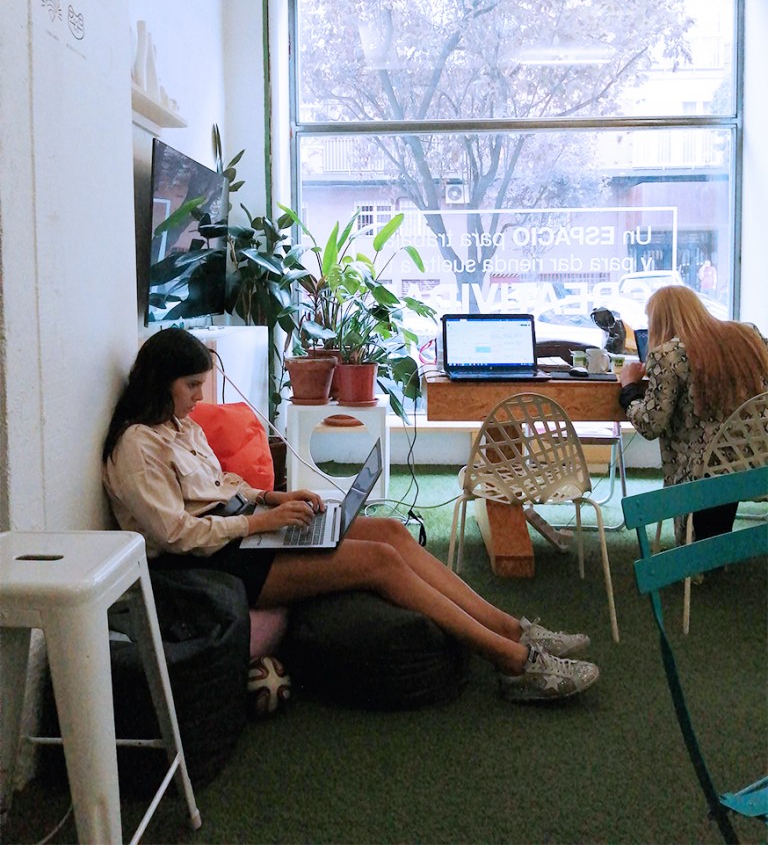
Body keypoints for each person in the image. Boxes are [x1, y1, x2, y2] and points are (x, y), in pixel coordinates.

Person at [103, 328, 599, 703]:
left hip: (240, 531)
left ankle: (511, 628)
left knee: (389, 530)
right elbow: (176, 534)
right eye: (191, 386)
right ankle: (513, 663)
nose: (197, 397)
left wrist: (270, 498)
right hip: (211, 559)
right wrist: (259, 523)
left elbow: (215, 486)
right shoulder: (135, 446)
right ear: (160, 381)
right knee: (378, 561)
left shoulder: (177, 425)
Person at [618, 285, 768, 540]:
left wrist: (629, 387)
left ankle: (699, 557)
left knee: (711, 459)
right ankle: (715, 552)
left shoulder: (668, 354)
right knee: (723, 455)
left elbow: (650, 425)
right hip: (753, 458)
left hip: (701, 470)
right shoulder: (748, 336)